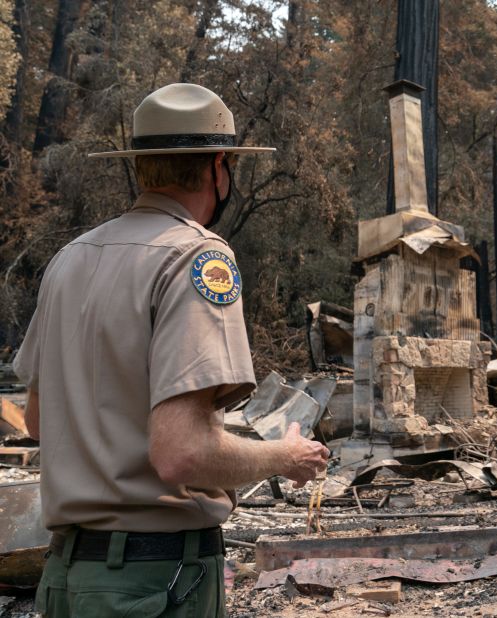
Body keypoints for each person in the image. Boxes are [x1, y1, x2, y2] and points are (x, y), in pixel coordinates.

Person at [13, 83, 330, 617]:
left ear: (143, 167)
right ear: (218, 167)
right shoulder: (196, 258)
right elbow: (181, 453)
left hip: (66, 580)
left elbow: (39, 423)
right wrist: (283, 457)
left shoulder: (68, 260)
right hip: (153, 586)